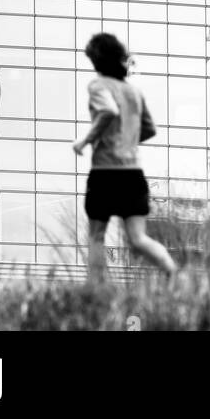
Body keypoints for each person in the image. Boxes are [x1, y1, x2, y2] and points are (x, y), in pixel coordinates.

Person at [73, 32, 176, 280]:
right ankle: (172, 274)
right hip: (132, 175)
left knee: (96, 236)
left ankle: (96, 291)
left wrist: (85, 140)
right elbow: (149, 129)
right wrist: (128, 140)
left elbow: (108, 110)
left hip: (105, 173)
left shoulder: (98, 85)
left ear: (98, 61)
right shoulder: (134, 92)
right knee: (138, 239)